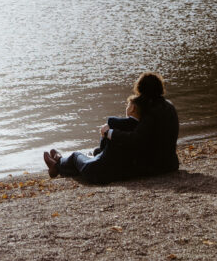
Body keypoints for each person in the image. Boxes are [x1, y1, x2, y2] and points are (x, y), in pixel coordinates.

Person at [43, 72, 179, 183]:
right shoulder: (168, 106)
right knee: (94, 154)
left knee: (77, 156)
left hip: (155, 167)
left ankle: (58, 164)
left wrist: (110, 133)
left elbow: (136, 139)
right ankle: (60, 164)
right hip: (170, 163)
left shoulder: (151, 113)